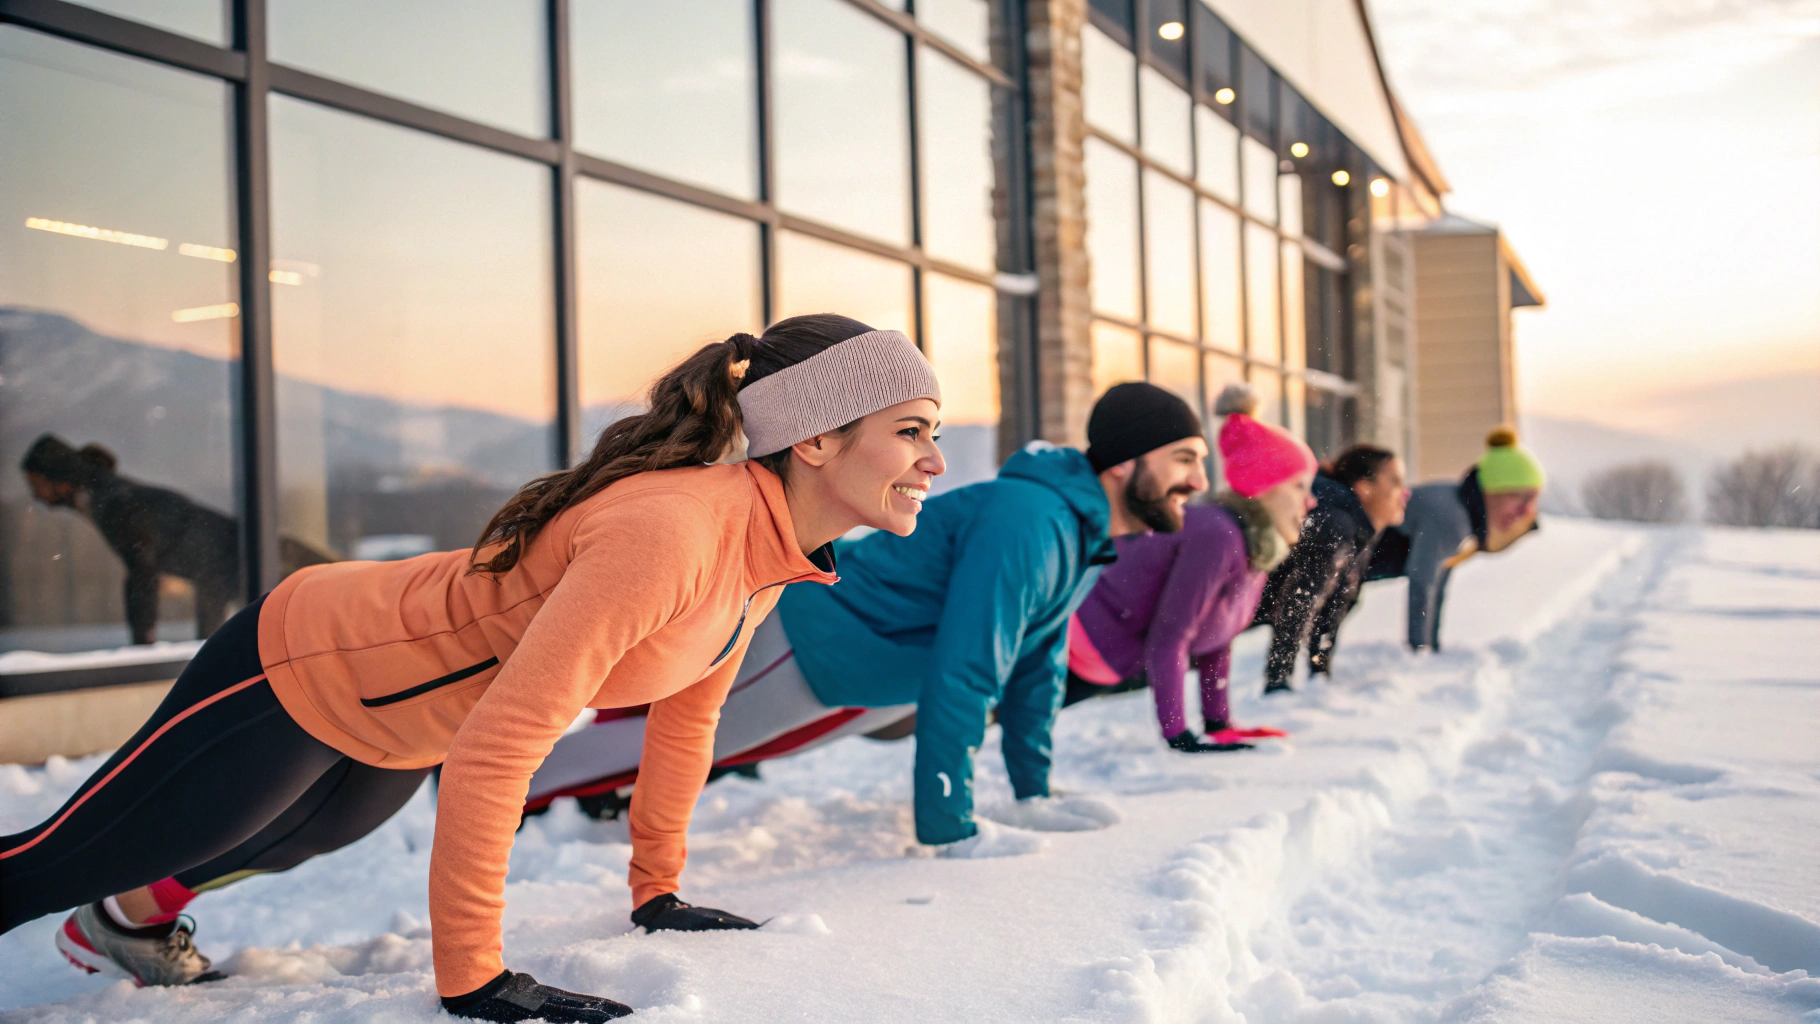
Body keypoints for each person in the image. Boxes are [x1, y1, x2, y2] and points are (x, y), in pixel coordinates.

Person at [0, 315, 945, 1024]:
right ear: (815, 440)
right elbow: (501, 751)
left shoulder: (763, 553)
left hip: (413, 718)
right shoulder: (675, 532)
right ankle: (112, 891)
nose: (934, 460)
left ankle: (123, 922)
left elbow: (688, 719)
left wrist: (657, 890)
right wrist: (477, 980)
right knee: (71, 855)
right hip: (310, 658)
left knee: (293, 839)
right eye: (910, 431)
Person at [529, 381, 1211, 851]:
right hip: (819, 639)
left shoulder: (1079, 534)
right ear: (1125, 464)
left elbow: (1037, 666)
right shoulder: (1031, 521)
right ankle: (497, 786)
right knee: (689, 746)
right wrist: (950, 825)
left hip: (867, 671)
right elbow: (969, 668)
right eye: (1184, 459)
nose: (1200, 483)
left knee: (709, 748)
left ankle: (545, 792)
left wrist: (1033, 793)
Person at [1065, 382, 1317, 750]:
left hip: (1104, 658)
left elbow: (1217, 637)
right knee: (980, 716)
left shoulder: (1256, 547)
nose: (1310, 502)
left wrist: (1218, 722)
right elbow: (1170, 638)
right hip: (1074, 643)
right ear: (1262, 488)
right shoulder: (1218, 534)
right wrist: (1179, 735)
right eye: (1298, 486)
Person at [20, 435, 331, 644]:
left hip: (249, 562)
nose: (36, 496)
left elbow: (142, 569)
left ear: (57, 480)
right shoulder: (107, 494)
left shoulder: (111, 502)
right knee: (328, 602)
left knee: (328, 610)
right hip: (243, 563)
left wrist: (142, 644)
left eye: (36, 484)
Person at [1375, 426, 1544, 651]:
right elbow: (1422, 582)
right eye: (1518, 497)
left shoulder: (1467, 514)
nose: (1525, 510)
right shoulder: (1453, 518)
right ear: (1491, 492)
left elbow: (1438, 580)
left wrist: (1431, 646)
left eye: (1532, 500)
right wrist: (1418, 650)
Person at [1257, 442, 1408, 693]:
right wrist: (1278, 683)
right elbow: (1300, 601)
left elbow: (1334, 605)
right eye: (1395, 482)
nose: (1405, 493)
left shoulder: (1359, 528)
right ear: (1364, 488)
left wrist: (1320, 673)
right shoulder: (1336, 524)